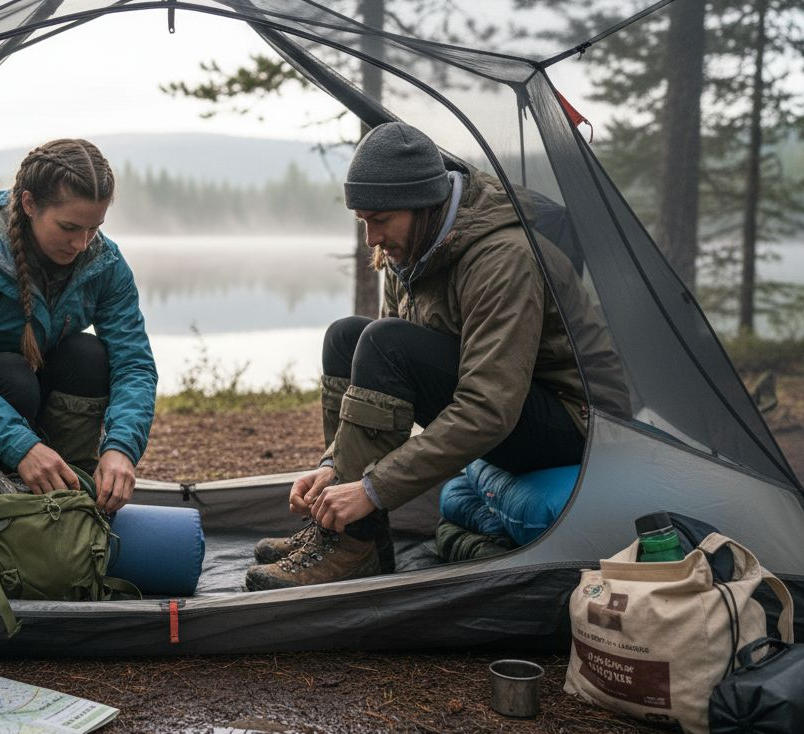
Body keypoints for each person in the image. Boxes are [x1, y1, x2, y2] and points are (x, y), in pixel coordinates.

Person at [245, 122, 626, 591]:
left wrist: (370, 490)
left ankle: (348, 542)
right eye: (363, 221)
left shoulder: (502, 258)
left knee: (386, 342)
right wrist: (332, 469)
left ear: (423, 204)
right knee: (347, 336)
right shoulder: (413, 247)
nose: (371, 238)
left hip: (577, 422)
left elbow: (488, 408)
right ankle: (349, 536)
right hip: (513, 406)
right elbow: (379, 382)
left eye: (379, 220)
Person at [0, 138, 156, 514]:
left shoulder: (104, 263)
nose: (81, 242)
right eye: (69, 226)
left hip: (27, 395)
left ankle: (71, 484)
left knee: (88, 356)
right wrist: (19, 445)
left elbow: (134, 364)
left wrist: (121, 447)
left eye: (94, 227)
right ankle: (0, 484)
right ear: (28, 204)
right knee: (13, 375)